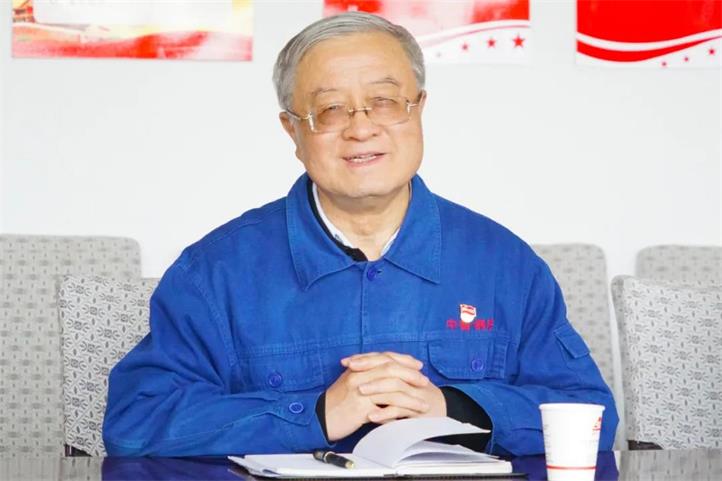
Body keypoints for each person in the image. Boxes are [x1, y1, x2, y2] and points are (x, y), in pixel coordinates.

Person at [103, 12, 618, 457]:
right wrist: (316, 413)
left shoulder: (505, 264)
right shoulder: (213, 272)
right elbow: (135, 424)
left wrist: (453, 407)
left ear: (419, 108)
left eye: (385, 101)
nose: (361, 128)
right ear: (292, 130)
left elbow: (592, 418)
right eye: (330, 109)